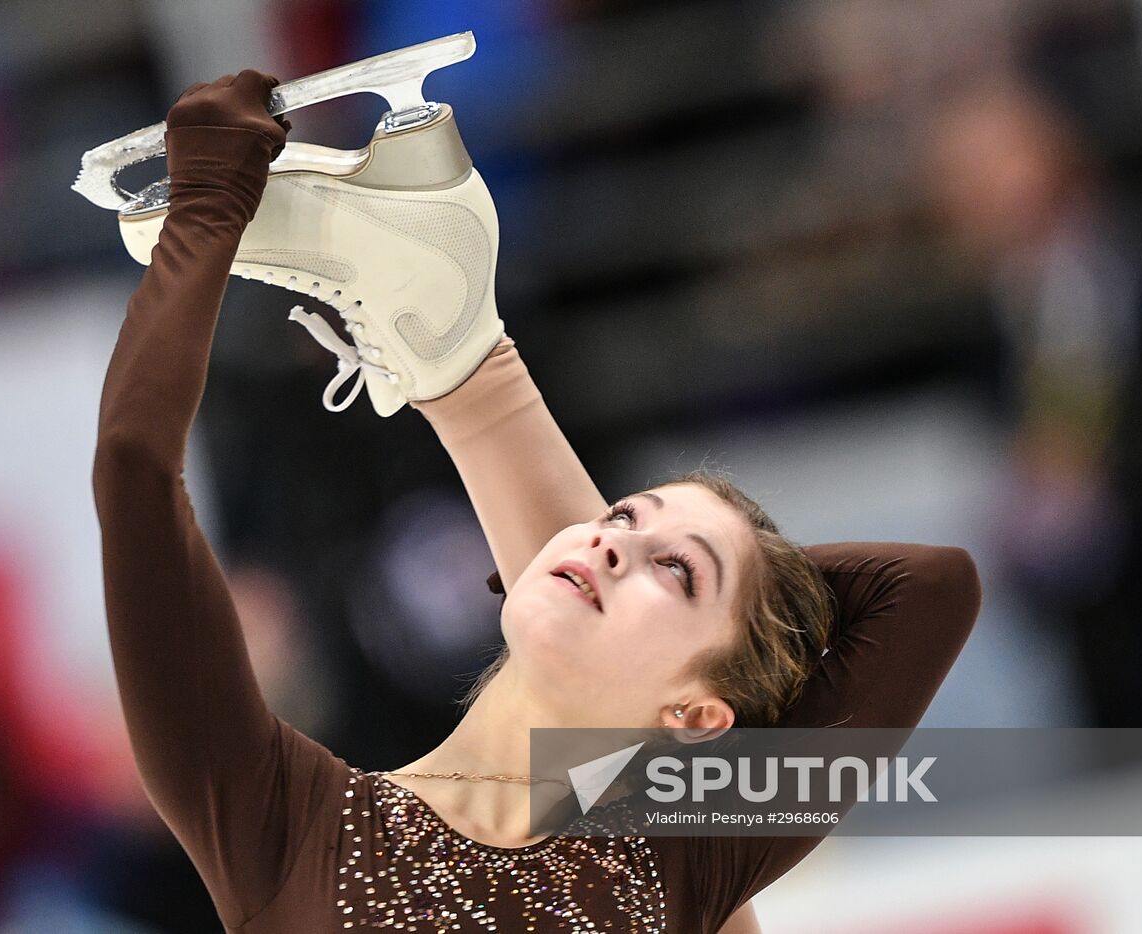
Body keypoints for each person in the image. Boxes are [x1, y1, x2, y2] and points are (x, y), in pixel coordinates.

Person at [91, 69, 983, 933]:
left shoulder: (692, 837)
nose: (608, 543)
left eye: (675, 569)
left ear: (701, 717)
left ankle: (459, 354)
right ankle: (462, 351)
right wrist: (205, 207)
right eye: (621, 519)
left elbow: (927, 590)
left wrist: (212, 209)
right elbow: (135, 475)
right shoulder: (290, 830)